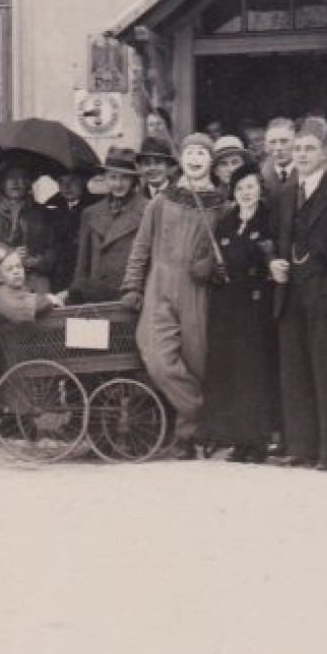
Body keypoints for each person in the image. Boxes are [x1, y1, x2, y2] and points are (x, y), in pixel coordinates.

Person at [119, 133, 225, 459]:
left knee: (197, 361)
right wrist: (132, 286)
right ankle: (204, 414)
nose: (195, 159)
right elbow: (141, 247)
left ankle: (187, 437)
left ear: (210, 161)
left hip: (198, 290)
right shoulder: (162, 201)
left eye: (202, 154)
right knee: (158, 359)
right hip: (160, 287)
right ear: (182, 158)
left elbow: (228, 251)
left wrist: (211, 264)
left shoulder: (222, 204)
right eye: (190, 152)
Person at [270, 124, 327, 471]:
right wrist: (273, 263)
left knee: (325, 371)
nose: (302, 155)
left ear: (324, 154)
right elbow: (273, 238)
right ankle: (300, 447)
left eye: (309, 148)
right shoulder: (285, 194)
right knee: (294, 371)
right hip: (290, 292)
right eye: (297, 149)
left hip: (326, 292)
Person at [202, 161, 277, 463]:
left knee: (254, 374)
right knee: (230, 372)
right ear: (233, 192)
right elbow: (216, 260)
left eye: (251, 187)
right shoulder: (227, 221)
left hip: (256, 308)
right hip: (227, 309)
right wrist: (215, 271)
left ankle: (257, 440)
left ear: (260, 189)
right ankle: (237, 440)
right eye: (240, 188)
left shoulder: (269, 220)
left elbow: (273, 259)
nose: (246, 193)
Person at [68, 147, 144, 304]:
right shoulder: (90, 213)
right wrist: (76, 292)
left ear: (133, 180)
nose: (118, 183)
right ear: (105, 178)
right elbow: (82, 263)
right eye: (113, 177)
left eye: (124, 178)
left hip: (129, 295)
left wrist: (140, 292)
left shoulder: (147, 210)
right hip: (95, 296)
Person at [0, 161, 54, 294]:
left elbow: (52, 248)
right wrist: (10, 255)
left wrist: (38, 261)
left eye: (20, 177)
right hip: (4, 282)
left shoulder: (43, 214)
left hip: (36, 281)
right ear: (1, 184)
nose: (15, 182)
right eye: (9, 178)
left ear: (28, 183)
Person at [44, 169, 99, 293]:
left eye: (72, 181)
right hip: (60, 275)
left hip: (87, 272)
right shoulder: (51, 207)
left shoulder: (95, 206)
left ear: (82, 182)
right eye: (61, 182)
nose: (66, 187)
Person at [0, 245, 65, 321]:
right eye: (9, 269)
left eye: (18, 266)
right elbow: (23, 310)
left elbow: (32, 299)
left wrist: (55, 298)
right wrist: (49, 299)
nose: (16, 272)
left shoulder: (18, 290)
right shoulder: (0, 296)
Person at [260, 117, 298, 200]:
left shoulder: (312, 174)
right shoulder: (258, 175)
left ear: (296, 142)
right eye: (273, 142)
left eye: (284, 141)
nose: (278, 148)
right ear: (266, 147)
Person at [136, 136, 176, 201]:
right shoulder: (137, 198)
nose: (152, 168)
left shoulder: (182, 196)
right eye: (147, 163)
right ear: (141, 167)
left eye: (158, 162)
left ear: (168, 165)